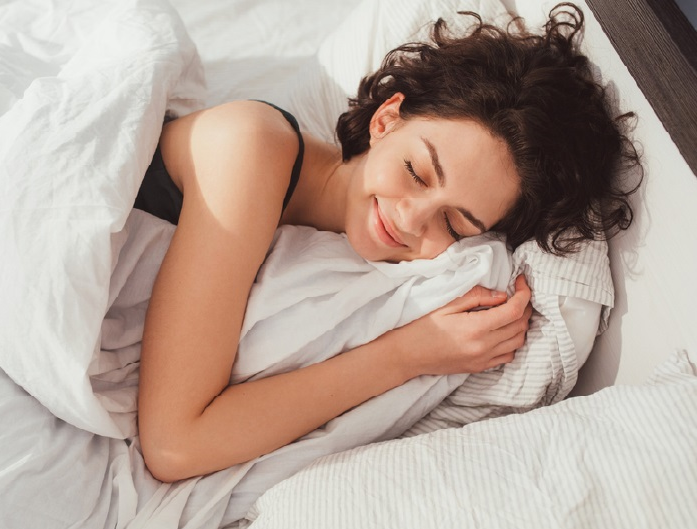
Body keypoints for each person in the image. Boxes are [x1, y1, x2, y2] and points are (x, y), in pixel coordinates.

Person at [134, 3, 640, 483]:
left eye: (456, 223)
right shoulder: (253, 147)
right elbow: (173, 444)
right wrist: (407, 355)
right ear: (385, 120)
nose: (412, 219)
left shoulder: (339, 253)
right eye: (416, 172)